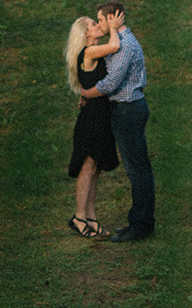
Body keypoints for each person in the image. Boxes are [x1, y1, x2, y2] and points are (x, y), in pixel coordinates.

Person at [80, 0, 153, 242]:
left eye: (101, 19)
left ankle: (141, 226)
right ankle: (139, 221)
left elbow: (110, 84)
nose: (99, 23)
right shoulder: (121, 42)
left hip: (127, 111)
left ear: (113, 19)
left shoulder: (125, 46)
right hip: (125, 109)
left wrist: (86, 94)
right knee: (136, 168)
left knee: (137, 170)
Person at [64, 16, 120, 238]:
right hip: (93, 118)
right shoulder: (88, 52)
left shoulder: (90, 52)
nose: (99, 26)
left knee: (94, 167)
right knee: (88, 167)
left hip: (98, 114)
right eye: (93, 25)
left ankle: (91, 217)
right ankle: (79, 217)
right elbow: (115, 45)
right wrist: (114, 27)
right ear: (86, 34)